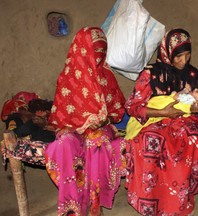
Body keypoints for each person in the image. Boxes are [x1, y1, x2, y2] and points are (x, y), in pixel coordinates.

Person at [124, 28, 198, 215]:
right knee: (152, 141)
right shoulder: (150, 73)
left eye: (187, 54)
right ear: (167, 52)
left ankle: (179, 200)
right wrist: (162, 112)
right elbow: (132, 107)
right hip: (153, 119)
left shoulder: (192, 74)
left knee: (192, 138)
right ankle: (152, 203)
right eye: (178, 56)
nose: (183, 61)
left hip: (182, 121)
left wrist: (196, 109)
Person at [45, 27, 126, 216]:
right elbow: (60, 117)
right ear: (81, 50)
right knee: (64, 144)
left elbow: (118, 111)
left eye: (101, 52)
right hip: (73, 130)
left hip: (101, 129)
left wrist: (105, 119)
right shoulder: (68, 78)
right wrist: (79, 125)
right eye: (94, 52)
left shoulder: (107, 76)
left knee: (95, 140)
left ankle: (94, 204)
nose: (98, 57)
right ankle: (73, 207)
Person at [125, 87, 198, 140]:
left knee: (136, 123)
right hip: (159, 110)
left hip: (157, 108)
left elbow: (176, 96)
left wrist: (184, 91)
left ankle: (127, 139)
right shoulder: (189, 109)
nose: (195, 89)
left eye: (197, 91)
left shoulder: (188, 102)